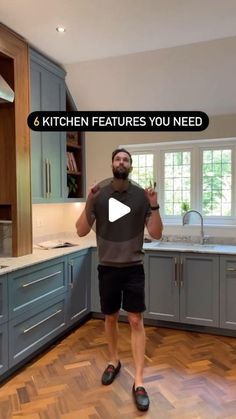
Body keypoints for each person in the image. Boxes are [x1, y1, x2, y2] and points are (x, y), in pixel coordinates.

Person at [76, 148, 163, 411]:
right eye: (117, 159)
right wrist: (89, 201)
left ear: (131, 166)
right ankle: (113, 361)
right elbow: (80, 231)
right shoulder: (99, 193)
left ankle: (138, 381)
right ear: (112, 163)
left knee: (136, 320)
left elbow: (156, 233)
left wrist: (154, 203)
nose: (121, 162)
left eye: (125, 159)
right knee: (111, 317)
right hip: (108, 267)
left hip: (133, 266)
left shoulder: (141, 195)